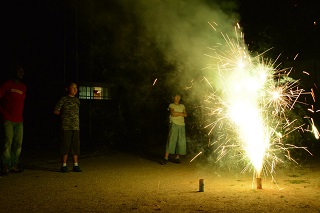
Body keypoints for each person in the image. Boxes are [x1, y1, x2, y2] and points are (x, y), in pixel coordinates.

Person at [0, 65, 26, 175]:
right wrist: (3, 112)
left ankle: (14, 165)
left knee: (18, 144)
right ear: (14, 72)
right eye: (19, 71)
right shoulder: (7, 84)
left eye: (22, 72)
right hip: (8, 119)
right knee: (7, 143)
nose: (20, 73)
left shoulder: (24, 87)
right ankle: (6, 165)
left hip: (19, 120)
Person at [54, 81, 82, 173]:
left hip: (76, 126)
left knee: (75, 146)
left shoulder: (77, 100)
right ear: (67, 89)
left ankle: (75, 165)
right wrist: (64, 115)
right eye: (73, 87)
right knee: (65, 145)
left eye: (76, 88)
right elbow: (56, 111)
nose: (75, 89)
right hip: (66, 126)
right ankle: (64, 165)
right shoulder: (64, 99)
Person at [161, 93, 187, 165]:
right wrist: (181, 113)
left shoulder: (182, 105)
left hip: (182, 125)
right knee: (171, 140)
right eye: (176, 96)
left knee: (180, 141)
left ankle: (177, 158)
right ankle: (166, 158)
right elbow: (173, 114)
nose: (178, 97)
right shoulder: (171, 105)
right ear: (173, 97)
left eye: (179, 96)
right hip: (174, 124)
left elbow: (185, 114)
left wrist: (178, 113)